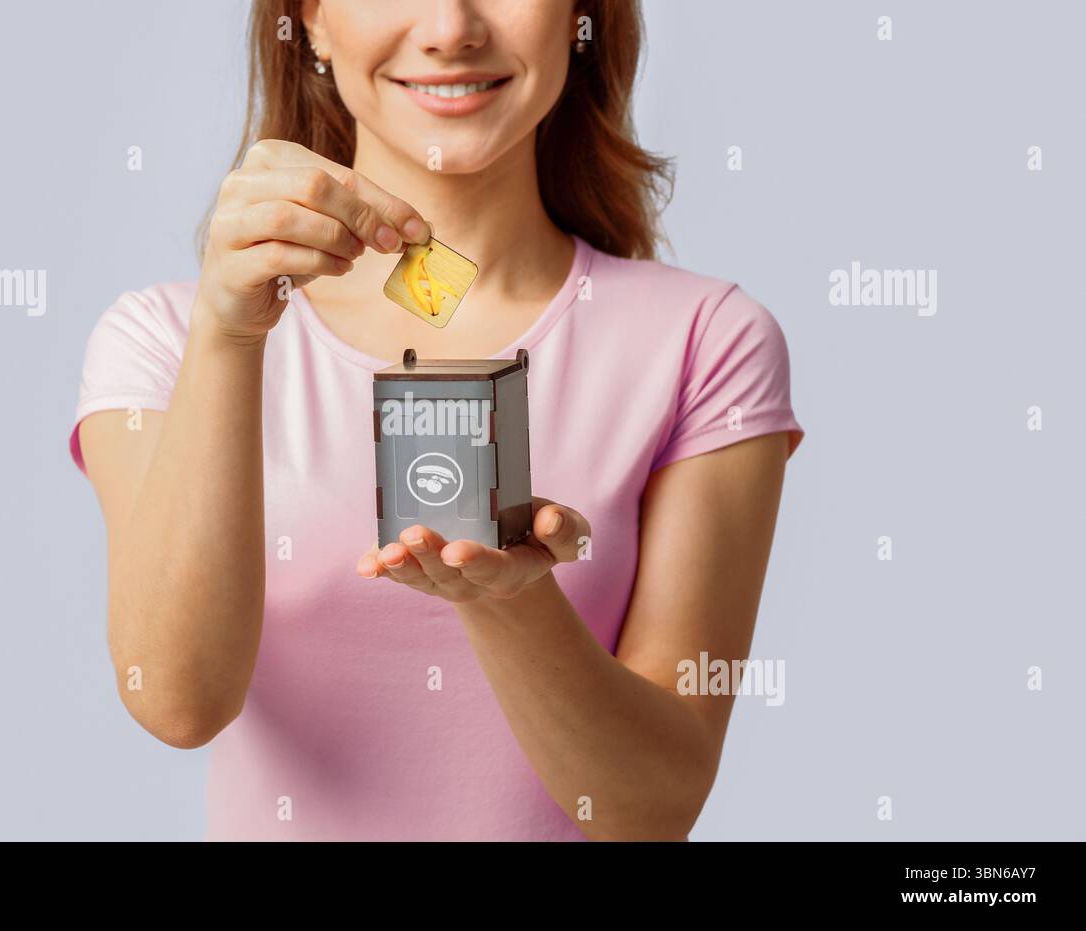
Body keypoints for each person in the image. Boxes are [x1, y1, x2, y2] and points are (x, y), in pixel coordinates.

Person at [69, 0, 805, 841]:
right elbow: (176, 699)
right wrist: (231, 334)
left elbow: (653, 806)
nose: (452, 27)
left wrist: (510, 599)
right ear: (310, 19)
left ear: (581, 16)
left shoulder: (706, 342)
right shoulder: (167, 342)